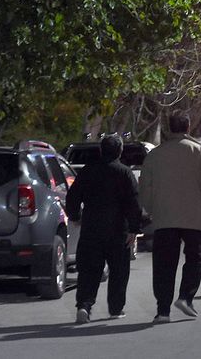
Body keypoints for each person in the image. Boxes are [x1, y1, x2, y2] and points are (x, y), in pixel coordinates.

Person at [139, 111, 201, 324]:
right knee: (194, 257)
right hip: (194, 218)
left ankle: (162, 310)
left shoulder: (155, 155)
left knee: (164, 264)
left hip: (165, 218)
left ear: (169, 128)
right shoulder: (200, 153)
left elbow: (145, 189)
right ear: (188, 127)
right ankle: (186, 296)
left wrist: (152, 209)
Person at [66, 134, 142, 324]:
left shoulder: (88, 171)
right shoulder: (124, 173)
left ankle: (84, 305)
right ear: (120, 151)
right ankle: (116, 308)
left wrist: (75, 216)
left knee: (89, 270)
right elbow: (134, 202)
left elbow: (73, 196)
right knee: (119, 270)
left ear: (101, 150)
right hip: (118, 230)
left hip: (92, 228)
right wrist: (134, 228)